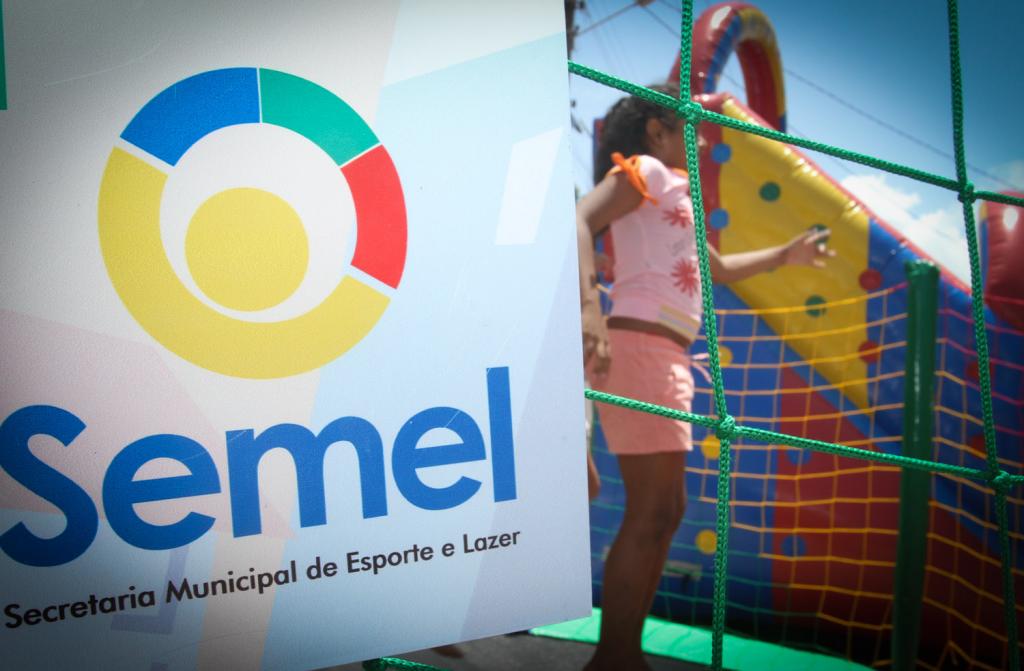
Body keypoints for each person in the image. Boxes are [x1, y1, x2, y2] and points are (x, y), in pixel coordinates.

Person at [576, 85, 833, 671]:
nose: (695, 140)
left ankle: (622, 653)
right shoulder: (645, 170)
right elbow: (580, 219)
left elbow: (716, 267)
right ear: (656, 131)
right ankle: (613, 656)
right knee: (652, 510)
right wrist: (591, 308)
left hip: (664, 352)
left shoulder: (674, 196)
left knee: (667, 509)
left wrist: (784, 255)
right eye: (685, 129)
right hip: (641, 347)